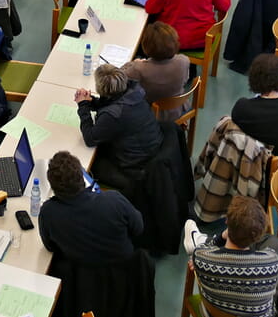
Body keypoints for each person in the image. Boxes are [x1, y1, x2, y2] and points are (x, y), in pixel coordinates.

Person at [39, 149, 144, 277]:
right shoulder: (114, 201)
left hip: (83, 281)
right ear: (81, 178)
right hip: (125, 272)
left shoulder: (48, 213)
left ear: (53, 187)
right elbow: (138, 228)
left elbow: (50, 247)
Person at [74, 63, 161, 191]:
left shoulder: (113, 116)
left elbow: (90, 138)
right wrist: (91, 101)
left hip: (133, 165)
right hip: (147, 148)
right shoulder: (134, 91)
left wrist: (83, 107)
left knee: (85, 165)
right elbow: (113, 101)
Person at [191, 196, 278, 316]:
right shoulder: (272, 261)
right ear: (258, 236)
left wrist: (221, 237)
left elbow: (201, 250)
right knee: (275, 242)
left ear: (226, 222)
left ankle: (203, 238)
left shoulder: (201, 257)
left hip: (211, 313)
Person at [122, 21, 191, 120]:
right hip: (178, 109)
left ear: (146, 46)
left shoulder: (139, 68)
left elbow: (119, 76)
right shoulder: (184, 61)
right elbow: (185, 80)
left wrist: (133, 63)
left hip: (150, 114)